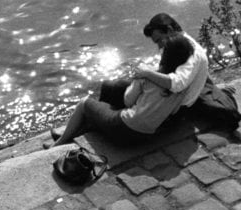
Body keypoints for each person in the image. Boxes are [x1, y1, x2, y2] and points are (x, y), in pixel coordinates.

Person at [52, 34, 194, 145]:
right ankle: (82, 129)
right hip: (144, 137)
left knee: (84, 103)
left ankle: (58, 143)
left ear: (165, 55)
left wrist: (136, 82)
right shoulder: (182, 86)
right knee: (107, 104)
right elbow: (173, 111)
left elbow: (127, 100)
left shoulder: (146, 75)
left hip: (121, 131)